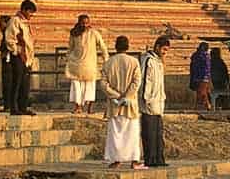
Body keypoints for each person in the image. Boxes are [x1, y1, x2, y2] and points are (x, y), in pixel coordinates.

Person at [102, 36, 144, 169]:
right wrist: (127, 96)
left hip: (114, 105)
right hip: (130, 105)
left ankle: (116, 160)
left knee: (115, 133)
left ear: (116, 46)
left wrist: (116, 96)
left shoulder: (108, 63)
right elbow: (136, 82)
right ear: (128, 46)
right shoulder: (134, 62)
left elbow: (103, 84)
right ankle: (134, 161)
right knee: (132, 133)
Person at [66, 14, 109, 115]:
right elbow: (70, 47)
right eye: (83, 23)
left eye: (87, 23)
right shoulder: (74, 34)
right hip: (76, 64)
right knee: (76, 86)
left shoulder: (94, 33)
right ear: (79, 23)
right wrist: (67, 58)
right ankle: (78, 107)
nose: (85, 25)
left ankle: (90, 108)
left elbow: (103, 47)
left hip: (90, 64)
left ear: (89, 23)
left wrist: (106, 59)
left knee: (90, 86)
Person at [139, 37, 170, 168]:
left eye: (166, 50)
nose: (164, 52)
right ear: (157, 47)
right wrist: (146, 99)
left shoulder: (158, 61)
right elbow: (145, 80)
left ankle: (159, 159)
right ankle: (150, 159)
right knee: (149, 133)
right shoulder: (148, 60)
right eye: (163, 49)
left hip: (158, 102)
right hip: (149, 102)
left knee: (158, 134)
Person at [4, 0, 37, 116]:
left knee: (25, 83)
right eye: (30, 12)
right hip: (18, 56)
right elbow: (9, 38)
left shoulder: (26, 23)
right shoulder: (15, 21)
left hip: (27, 56)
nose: (31, 15)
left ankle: (23, 107)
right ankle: (14, 107)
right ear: (24, 10)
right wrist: (16, 51)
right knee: (16, 82)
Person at [189, 42, 212, 110]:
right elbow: (207, 67)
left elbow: (193, 68)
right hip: (203, 78)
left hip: (197, 77)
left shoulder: (195, 56)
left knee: (201, 92)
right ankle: (207, 106)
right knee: (203, 93)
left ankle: (200, 106)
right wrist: (207, 76)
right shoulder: (205, 56)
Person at [0, 15, 12, 112]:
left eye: (1, 23)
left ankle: (8, 105)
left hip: (9, 61)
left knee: (8, 83)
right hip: (5, 60)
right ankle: (7, 104)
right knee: (5, 83)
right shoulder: (4, 34)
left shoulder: (9, 34)